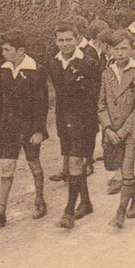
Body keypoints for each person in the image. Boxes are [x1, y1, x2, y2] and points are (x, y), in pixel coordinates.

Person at [0, 32, 49, 227]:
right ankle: (0, 211)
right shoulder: (3, 70)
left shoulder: (36, 70)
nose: (3, 53)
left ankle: (40, 201)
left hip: (29, 127)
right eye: (2, 49)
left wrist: (38, 130)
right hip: (10, 127)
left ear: (21, 51)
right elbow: (0, 100)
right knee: (7, 166)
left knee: (34, 164)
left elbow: (41, 104)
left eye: (7, 50)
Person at [48, 21, 102, 229]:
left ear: (77, 39)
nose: (64, 44)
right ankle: (86, 202)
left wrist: (89, 122)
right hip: (64, 120)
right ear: (56, 41)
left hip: (84, 120)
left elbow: (94, 96)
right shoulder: (54, 63)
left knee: (76, 163)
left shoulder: (88, 63)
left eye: (69, 39)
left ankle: (69, 211)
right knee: (74, 162)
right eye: (60, 40)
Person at [98, 31, 135, 228]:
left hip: (130, 131)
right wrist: (108, 128)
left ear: (132, 49)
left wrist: (124, 130)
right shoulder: (107, 73)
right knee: (119, 167)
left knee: (127, 168)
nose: (120, 53)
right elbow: (101, 104)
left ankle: (120, 213)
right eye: (116, 49)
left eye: (124, 48)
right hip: (112, 130)